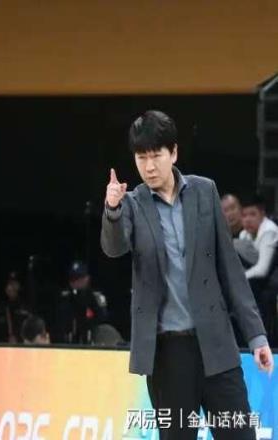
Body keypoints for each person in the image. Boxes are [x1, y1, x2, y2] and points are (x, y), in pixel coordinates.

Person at [101, 110, 273, 440]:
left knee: (239, 433)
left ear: (174, 153)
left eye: (156, 155)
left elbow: (230, 269)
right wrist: (112, 209)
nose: (149, 166)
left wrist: (257, 336)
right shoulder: (131, 204)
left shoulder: (204, 191)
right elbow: (114, 247)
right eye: (141, 157)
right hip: (168, 355)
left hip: (217, 345)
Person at [239, 194, 278, 345]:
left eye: (252, 214)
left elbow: (262, 269)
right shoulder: (244, 234)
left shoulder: (269, 231)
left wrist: (238, 278)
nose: (248, 219)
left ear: (262, 213)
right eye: (244, 215)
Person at [56, 261, 109, 344]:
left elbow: (103, 321)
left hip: (93, 341)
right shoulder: (66, 298)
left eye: (78, 278)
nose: (74, 282)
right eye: (72, 279)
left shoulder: (95, 297)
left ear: (87, 278)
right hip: (70, 342)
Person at [0, 271, 30, 343]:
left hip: (22, 345)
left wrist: (18, 338)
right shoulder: (1, 308)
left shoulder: (26, 307)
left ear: (19, 286)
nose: (11, 287)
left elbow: (30, 330)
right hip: (3, 346)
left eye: (14, 284)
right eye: (9, 284)